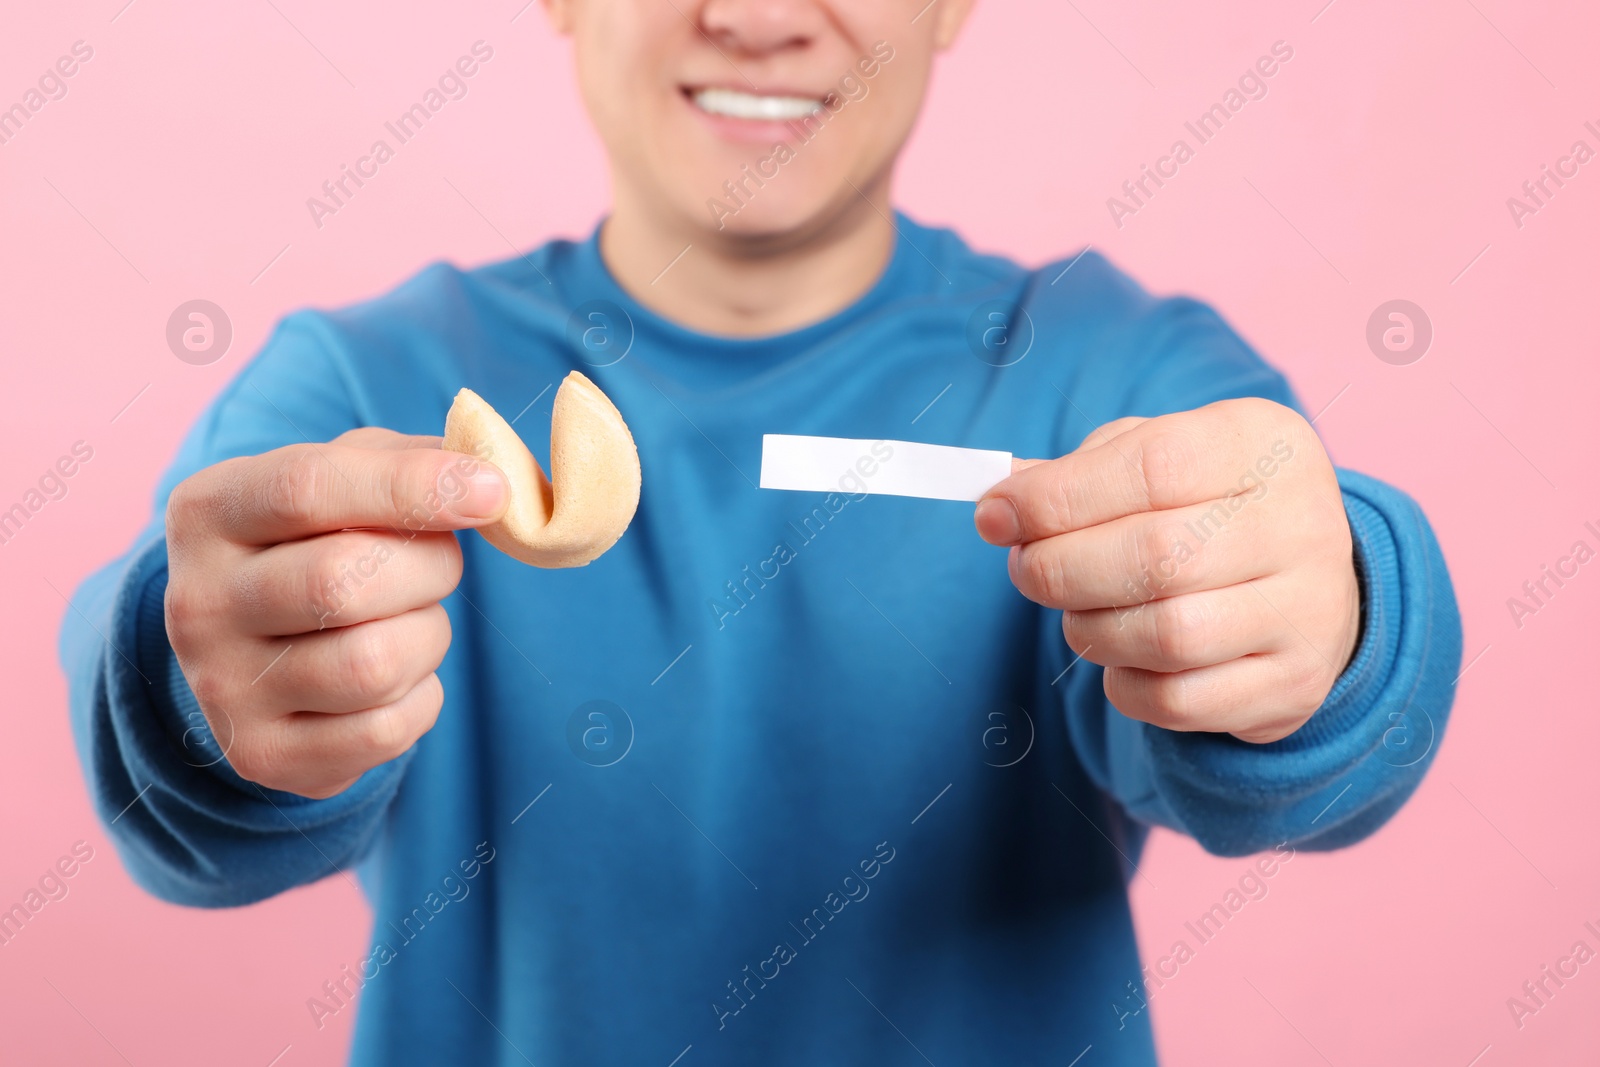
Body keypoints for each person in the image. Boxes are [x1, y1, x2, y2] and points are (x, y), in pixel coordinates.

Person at [61, 1, 1461, 1064]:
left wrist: (1333, 615)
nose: (760, 13)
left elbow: (1302, 758)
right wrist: (202, 695)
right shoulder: (373, 389)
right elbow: (176, 807)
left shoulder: (1111, 378)